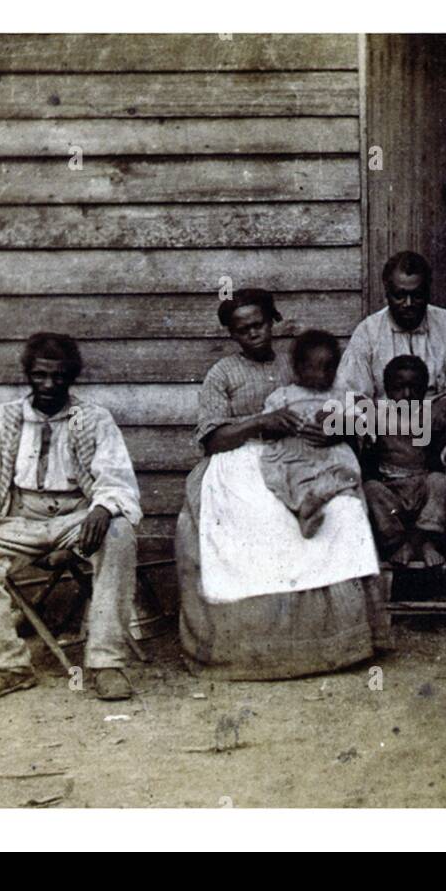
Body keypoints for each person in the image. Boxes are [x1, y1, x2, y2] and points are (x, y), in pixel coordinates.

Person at [176, 289, 386, 680]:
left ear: (273, 321)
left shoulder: (299, 364)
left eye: (258, 324)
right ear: (233, 334)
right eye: (242, 330)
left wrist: (334, 428)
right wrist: (260, 422)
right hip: (240, 459)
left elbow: (341, 405)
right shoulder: (222, 374)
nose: (253, 334)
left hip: (306, 454)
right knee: (261, 516)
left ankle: (338, 641)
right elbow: (211, 440)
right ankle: (252, 648)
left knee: (342, 510)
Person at [0, 333, 141, 702]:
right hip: (20, 518)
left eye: (59, 376)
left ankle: (106, 663)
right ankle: (9, 666)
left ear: (72, 377)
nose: (49, 385)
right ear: (28, 375)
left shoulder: (94, 419)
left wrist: (102, 509)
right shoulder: (3, 419)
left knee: (119, 533)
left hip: (75, 517)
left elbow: (116, 479)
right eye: (40, 376)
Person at [337, 251, 446, 564]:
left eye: (416, 295)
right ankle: (381, 540)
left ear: (428, 290)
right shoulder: (368, 331)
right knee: (351, 433)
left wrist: (443, 403)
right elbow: (351, 391)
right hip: (385, 419)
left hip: (435, 418)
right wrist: (369, 415)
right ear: (386, 291)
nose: (408, 304)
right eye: (399, 295)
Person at [259, 330, 363, 538]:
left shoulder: (341, 396)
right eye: (313, 368)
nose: (322, 375)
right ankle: (306, 512)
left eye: (329, 368)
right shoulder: (284, 396)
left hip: (332, 454)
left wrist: (340, 425)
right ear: (298, 368)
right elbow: (267, 425)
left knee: (348, 481)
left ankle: (316, 503)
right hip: (298, 454)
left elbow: (360, 423)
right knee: (297, 479)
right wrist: (280, 423)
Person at [361, 355, 446, 567]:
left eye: (415, 388)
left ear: (425, 390)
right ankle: (400, 544)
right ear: (388, 390)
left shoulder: (428, 414)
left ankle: (426, 541)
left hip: (420, 485)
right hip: (391, 488)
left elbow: (436, 457)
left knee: (439, 481)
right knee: (371, 488)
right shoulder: (377, 415)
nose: (407, 394)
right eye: (400, 388)